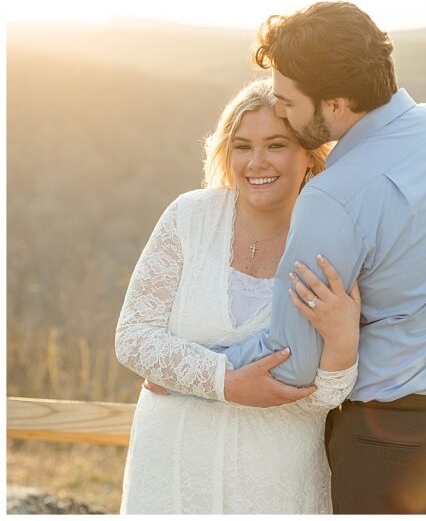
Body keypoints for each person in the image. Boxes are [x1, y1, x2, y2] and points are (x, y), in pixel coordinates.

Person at [215, 2, 426, 514]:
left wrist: (193, 365)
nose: (279, 110)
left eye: (287, 102)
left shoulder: (334, 198)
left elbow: (290, 363)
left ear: (337, 102)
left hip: (392, 445)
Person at [114, 78, 362, 513]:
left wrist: (342, 339)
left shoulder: (331, 240)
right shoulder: (189, 217)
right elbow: (133, 337)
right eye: (243, 146)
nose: (257, 162)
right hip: (171, 472)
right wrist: (224, 382)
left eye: (277, 145)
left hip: (275, 481)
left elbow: (325, 396)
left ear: (308, 155)